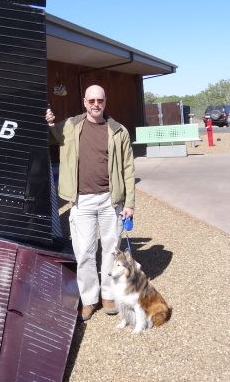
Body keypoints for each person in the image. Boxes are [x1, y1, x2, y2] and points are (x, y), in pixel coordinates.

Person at [45, 85, 135, 321]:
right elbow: (48, 136)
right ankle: (89, 299)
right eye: (92, 100)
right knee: (84, 251)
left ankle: (107, 295)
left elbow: (127, 169)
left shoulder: (118, 131)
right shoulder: (71, 125)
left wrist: (130, 203)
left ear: (106, 102)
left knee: (111, 250)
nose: (96, 104)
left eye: (100, 100)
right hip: (81, 201)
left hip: (110, 200)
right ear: (84, 102)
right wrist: (47, 122)